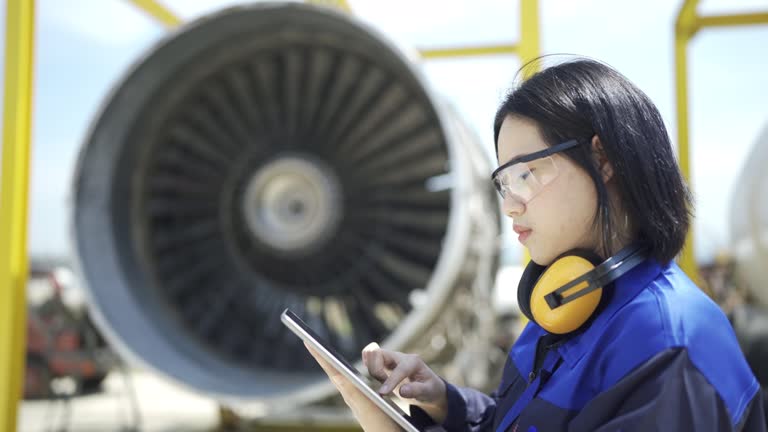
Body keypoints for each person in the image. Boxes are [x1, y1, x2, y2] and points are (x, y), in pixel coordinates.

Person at [305, 58, 767, 431]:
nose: (511, 207)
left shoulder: (669, 349)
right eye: (504, 184)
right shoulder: (565, 310)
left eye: (525, 175)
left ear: (602, 159)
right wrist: (446, 404)